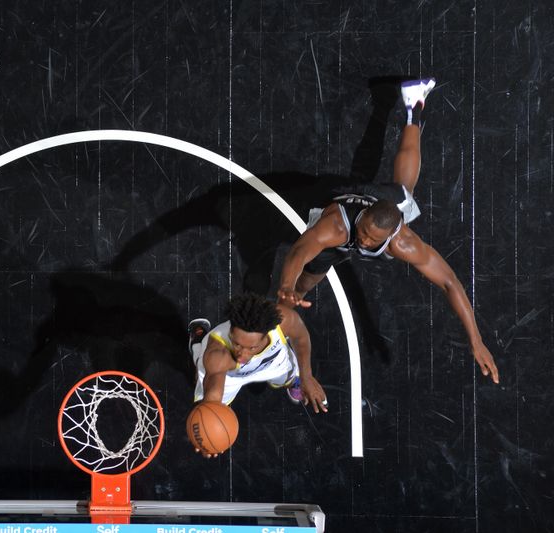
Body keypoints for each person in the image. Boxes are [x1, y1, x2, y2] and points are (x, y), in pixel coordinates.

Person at [277, 78, 500, 384]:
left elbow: (449, 282)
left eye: (372, 240)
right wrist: (287, 283)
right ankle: (275, 341)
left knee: (404, 191)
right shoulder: (338, 227)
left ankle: (413, 106)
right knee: (304, 283)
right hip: (342, 198)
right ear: (364, 216)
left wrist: (476, 339)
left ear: (394, 232)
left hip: (385, 202)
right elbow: (300, 250)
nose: (365, 241)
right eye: (365, 233)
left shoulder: (403, 242)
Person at [188, 293, 327, 456]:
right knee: (205, 395)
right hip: (230, 376)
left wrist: (307, 377)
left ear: (267, 333)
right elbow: (213, 397)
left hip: (272, 362)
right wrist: (208, 432)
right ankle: (198, 344)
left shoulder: (285, 320)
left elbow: (301, 339)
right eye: (237, 344)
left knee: (290, 375)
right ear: (231, 330)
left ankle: (293, 382)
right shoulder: (217, 354)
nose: (241, 354)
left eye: (251, 348)